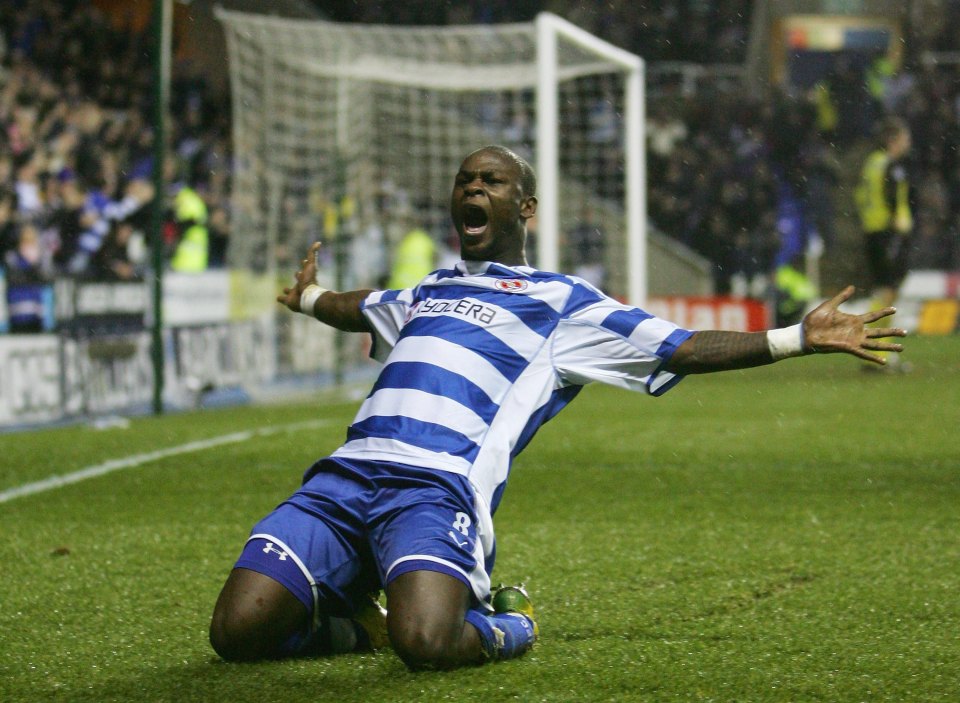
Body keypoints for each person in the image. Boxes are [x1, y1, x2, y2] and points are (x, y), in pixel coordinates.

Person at [209, 145, 905, 670]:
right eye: (465, 180)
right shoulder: (426, 289)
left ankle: (512, 624)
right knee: (235, 633)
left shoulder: (563, 302)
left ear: (526, 209)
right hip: (344, 477)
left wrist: (796, 338)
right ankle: (358, 627)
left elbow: (683, 346)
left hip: (434, 488)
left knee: (426, 643)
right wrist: (306, 298)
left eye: (492, 180)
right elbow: (357, 307)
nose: (474, 187)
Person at [854, 116, 913, 368]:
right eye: (903, 138)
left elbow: (859, 196)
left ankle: (874, 350)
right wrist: (897, 223)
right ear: (893, 140)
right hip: (887, 232)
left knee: (883, 289)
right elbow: (892, 199)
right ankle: (877, 351)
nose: (907, 143)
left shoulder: (871, 163)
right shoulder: (892, 166)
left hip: (872, 231)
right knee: (888, 291)